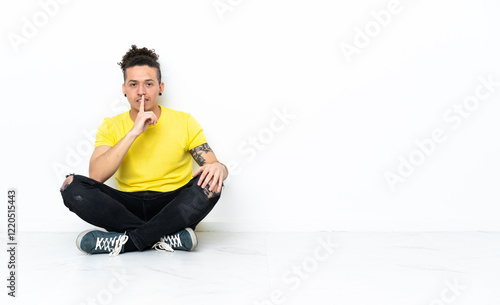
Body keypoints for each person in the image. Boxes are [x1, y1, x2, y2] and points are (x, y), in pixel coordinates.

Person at [60, 45, 228, 256]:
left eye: (148, 84)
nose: (141, 91)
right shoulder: (111, 125)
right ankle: (167, 237)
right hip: (127, 206)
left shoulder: (184, 121)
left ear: (160, 87)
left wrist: (220, 169)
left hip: (172, 205)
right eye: (133, 84)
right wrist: (133, 133)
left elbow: (212, 165)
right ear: (124, 89)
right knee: (71, 186)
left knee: (212, 183)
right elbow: (96, 176)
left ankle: (128, 241)